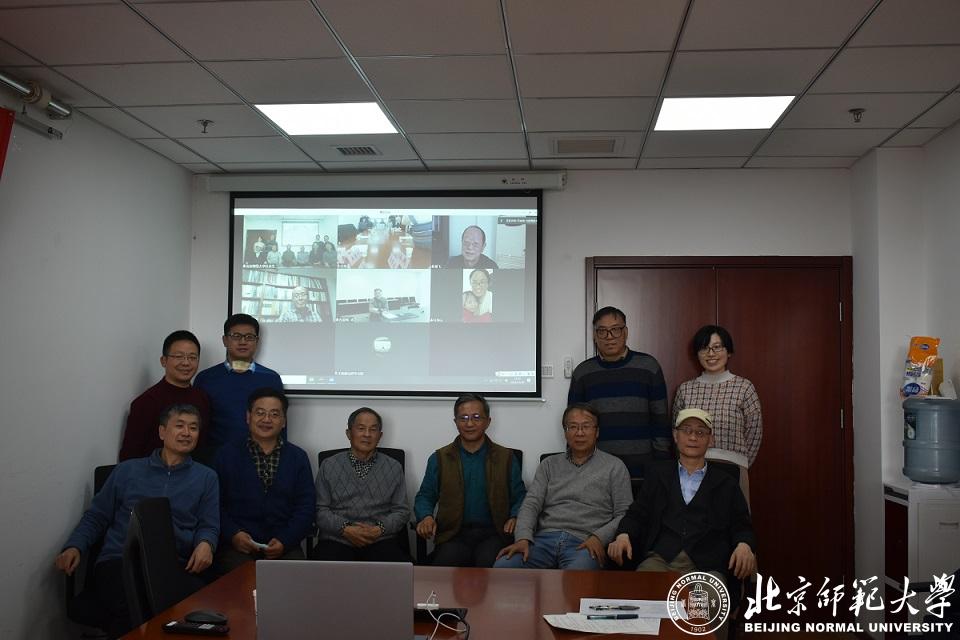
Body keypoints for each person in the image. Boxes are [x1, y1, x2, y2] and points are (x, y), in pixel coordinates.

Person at [55, 405, 218, 639]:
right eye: (179, 426)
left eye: (193, 428)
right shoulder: (127, 471)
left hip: (172, 564)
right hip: (120, 560)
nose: (186, 433)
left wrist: (206, 543)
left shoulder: (206, 477)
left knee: (188, 610)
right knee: (135, 604)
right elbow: (97, 516)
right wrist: (75, 546)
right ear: (162, 432)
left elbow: (209, 524)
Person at [608, 408, 756, 640]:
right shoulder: (657, 474)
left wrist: (744, 545)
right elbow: (638, 513)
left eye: (700, 432)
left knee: (709, 605)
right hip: (660, 559)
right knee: (638, 600)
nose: (693, 437)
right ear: (676, 436)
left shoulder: (726, 482)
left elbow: (742, 524)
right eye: (687, 431)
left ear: (710, 439)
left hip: (705, 565)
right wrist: (623, 534)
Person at [494, 403, 632, 570]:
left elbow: (625, 513)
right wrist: (522, 538)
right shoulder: (549, 465)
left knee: (575, 578)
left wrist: (599, 538)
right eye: (573, 427)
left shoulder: (615, 466)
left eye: (586, 426)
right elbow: (531, 504)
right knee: (504, 566)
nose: (579, 433)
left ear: (597, 432)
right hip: (543, 540)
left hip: (585, 543)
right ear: (565, 432)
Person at [414, 393, 526, 567]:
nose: (470, 424)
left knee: (489, 565)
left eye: (476, 417)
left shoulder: (506, 458)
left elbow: (520, 496)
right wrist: (426, 516)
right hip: (453, 534)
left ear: (488, 421)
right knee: (446, 565)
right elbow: (425, 495)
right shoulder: (439, 458)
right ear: (455, 422)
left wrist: (515, 516)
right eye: (463, 418)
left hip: (494, 534)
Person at [211, 388, 314, 575]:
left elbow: (306, 507)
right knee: (242, 582)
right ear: (248, 417)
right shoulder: (225, 455)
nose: (267, 419)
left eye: (274, 414)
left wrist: (285, 540)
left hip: (285, 545)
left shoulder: (298, 457)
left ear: (284, 421)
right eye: (260, 413)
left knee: (297, 581)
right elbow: (214, 504)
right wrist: (233, 534)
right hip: (237, 546)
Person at [567, 306, 670, 478]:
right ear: (595, 335)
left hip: (643, 469)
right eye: (602, 331)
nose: (609, 337)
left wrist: (661, 463)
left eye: (615, 329)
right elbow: (573, 424)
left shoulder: (649, 367)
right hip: (596, 470)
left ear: (625, 332)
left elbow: (660, 419)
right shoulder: (583, 373)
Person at [673, 325, 762, 498]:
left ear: (729, 352)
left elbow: (755, 432)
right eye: (704, 348)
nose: (711, 353)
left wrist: (740, 462)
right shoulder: (685, 389)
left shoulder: (744, 387)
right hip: (691, 468)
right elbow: (677, 431)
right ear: (697, 354)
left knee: (733, 515)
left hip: (734, 468)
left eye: (717, 347)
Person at [313, 407, 411, 562]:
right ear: (348, 433)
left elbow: (402, 511)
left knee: (398, 568)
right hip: (338, 539)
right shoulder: (329, 465)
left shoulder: (394, 467)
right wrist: (345, 529)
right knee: (325, 568)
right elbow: (320, 510)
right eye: (361, 428)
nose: (367, 434)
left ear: (380, 436)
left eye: (373, 429)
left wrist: (378, 529)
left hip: (380, 539)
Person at [194, 314, 283, 454]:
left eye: (249, 337)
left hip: (260, 458)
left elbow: (280, 425)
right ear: (225, 340)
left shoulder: (271, 379)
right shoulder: (206, 379)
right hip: (216, 458)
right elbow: (197, 425)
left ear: (257, 341)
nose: (243, 342)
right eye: (236, 336)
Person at [118, 330, 210, 461]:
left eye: (192, 357)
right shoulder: (146, 402)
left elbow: (202, 447)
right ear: (163, 361)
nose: (186, 363)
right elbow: (129, 457)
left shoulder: (202, 398)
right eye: (178, 356)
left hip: (194, 472)